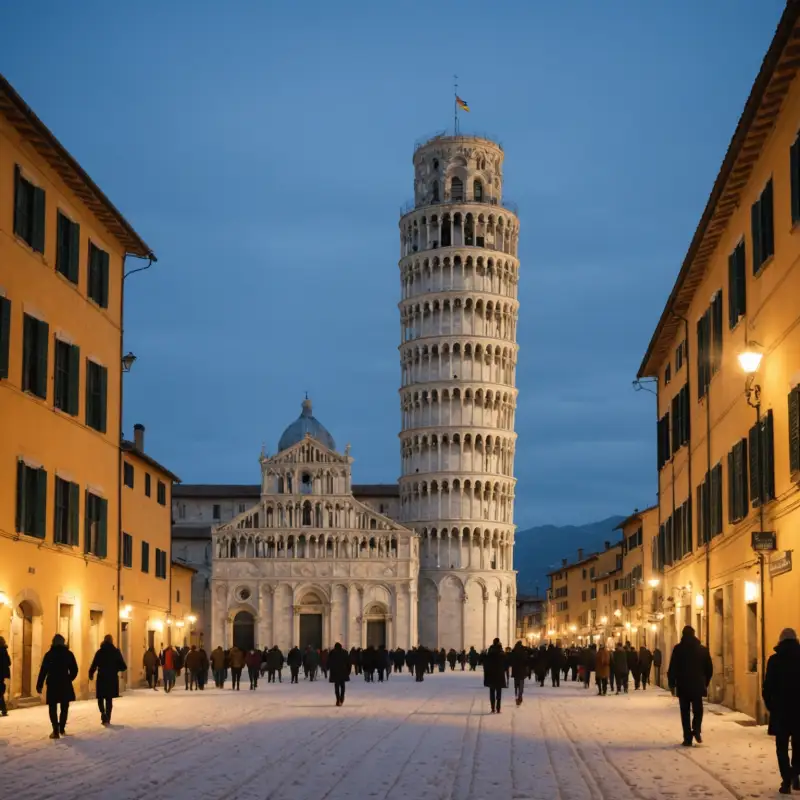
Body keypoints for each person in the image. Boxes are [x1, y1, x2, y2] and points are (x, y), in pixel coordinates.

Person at [762, 628, 800, 794]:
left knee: (782, 747)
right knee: (799, 746)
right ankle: (795, 775)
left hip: (781, 711)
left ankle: (787, 780)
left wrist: (771, 706)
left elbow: (767, 688)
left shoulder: (774, 661)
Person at [667, 625, 713, 747]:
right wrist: (705, 682)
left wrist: (672, 684)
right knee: (698, 710)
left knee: (685, 712)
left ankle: (687, 738)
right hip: (697, 685)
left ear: (683, 635)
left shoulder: (678, 649)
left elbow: (673, 667)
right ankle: (696, 729)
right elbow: (709, 669)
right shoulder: (702, 650)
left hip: (683, 685)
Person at [36, 634, 78, 739]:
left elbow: (43, 671)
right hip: (65, 683)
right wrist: (69, 678)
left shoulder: (49, 655)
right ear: (63, 642)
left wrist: (39, 685)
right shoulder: (68, 654)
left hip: (53, 683)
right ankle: (62, 727)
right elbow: (75, 669)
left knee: (52, 706)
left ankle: (55, 729)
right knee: (64, 706)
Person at [88, 634, 127, 726]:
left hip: (102, 677)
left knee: (100, 697)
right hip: (112, 678)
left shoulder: (100, 652)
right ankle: (108, 718)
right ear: (111, 641)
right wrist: (115, 668)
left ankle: (103, 713)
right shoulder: (116, 652)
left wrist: (91, 674)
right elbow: (123, 666)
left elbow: (94, 664)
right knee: (109, 699)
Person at [483, 638, 506, 714]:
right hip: (499, 675)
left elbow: (484, 662)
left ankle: (493, 708)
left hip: (491, 675)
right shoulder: (502, 653)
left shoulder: (490, 652)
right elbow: (506, 664)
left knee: (492, 692)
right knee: (499, 693)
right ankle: (498, 709)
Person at [328, 642, 351, 706]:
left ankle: (338, 699)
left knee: (336, 687)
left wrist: (328, 668)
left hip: (335, 672)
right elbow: (349, 662)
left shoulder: (332, 653)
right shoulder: (345, 652)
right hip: (343, 672)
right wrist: (348, 671)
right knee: (342, 686)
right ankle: (342, 697)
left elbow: (329, 662)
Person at [510, 641, 528, 706]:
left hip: (515, 669)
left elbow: (511, 660)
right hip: (522, 670)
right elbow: (526, 660)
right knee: (521, 682)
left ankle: (516, 692)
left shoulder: (514, 651)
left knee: (516, 681)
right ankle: (520, 694)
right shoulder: (523, 652)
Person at [0, 636, 10, 717]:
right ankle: (4, 709)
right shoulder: (4, 651)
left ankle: (3, 709)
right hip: (2, 674)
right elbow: (9, 662)